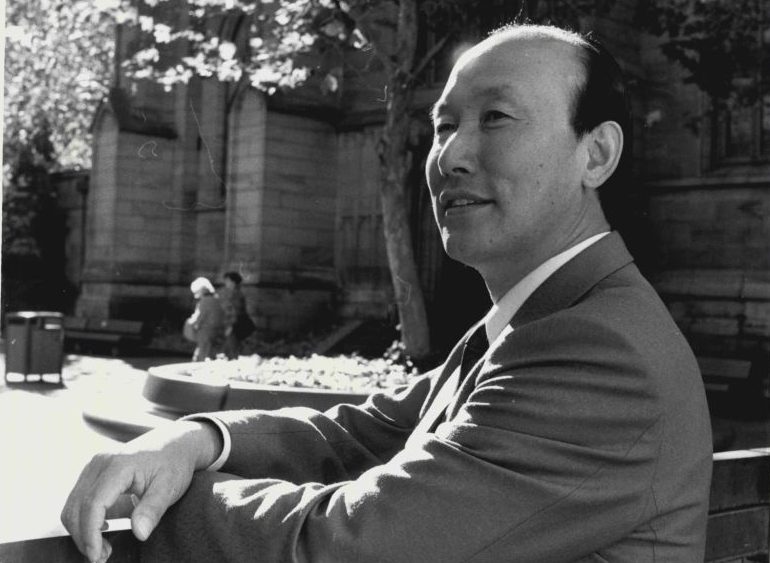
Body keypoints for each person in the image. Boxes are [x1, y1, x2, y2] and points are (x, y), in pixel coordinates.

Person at [61, 24, 713, 562]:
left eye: (496, 118)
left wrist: (169, 495)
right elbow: (364, 432)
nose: (450, 155)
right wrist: (196, 440)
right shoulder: (538, 318)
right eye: (443, 124)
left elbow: (348, 548)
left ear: (595, 154)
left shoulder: (602, 351)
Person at [184, 277, 224, 361]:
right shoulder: (216, 299)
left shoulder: (204, 301)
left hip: (205, 332)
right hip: (216, 331)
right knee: (211, 354)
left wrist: (190, 323)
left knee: (202, 356)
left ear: (201, 290)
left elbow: (198, 318)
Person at [219, 271, 253, 360]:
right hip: (234, 324)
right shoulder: (236, 293)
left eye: (227, 281)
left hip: (234, 326)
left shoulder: (236, 295)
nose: (226, 283)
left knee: (232, 350)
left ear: (233, 282)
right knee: (230, 350)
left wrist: (231, 326)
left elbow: (236, 312)